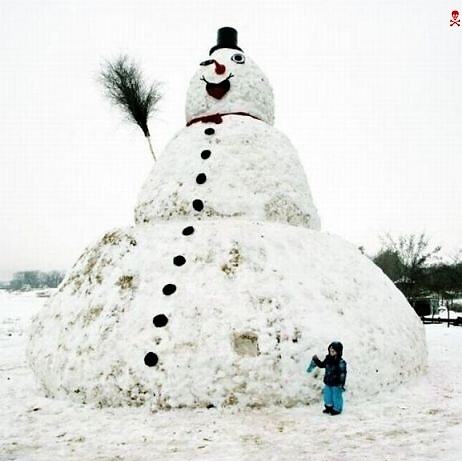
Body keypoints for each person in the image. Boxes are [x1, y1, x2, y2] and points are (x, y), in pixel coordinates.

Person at [311, 341, 347, 415]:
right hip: (328, 382)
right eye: (330, 350)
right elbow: (322, 365)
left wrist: (341, 384)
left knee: (336, 396)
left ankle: (337, 409)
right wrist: (316, 360)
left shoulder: (341, 362)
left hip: (336, 384)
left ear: (338, 351)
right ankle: (329, 407)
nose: (331, 352)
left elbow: (343, 374)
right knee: (327, 396)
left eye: (333, 351)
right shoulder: (328, 359)